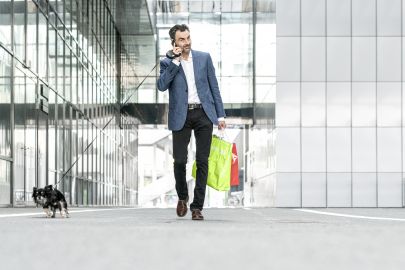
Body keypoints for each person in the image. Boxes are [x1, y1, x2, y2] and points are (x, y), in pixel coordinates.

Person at [157, 24, 226, 220]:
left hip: (204, 113)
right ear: (174, 43)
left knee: (203, 161)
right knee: (179, 160)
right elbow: (162, 86)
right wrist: (175, 61)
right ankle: (182, 197)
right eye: (182, 39)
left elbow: (214, 87)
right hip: (182, 116)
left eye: (188, 38)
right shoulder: (167, 62)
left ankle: (197, 207)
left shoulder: (204, 58)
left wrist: (220, 116)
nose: (186, 42)